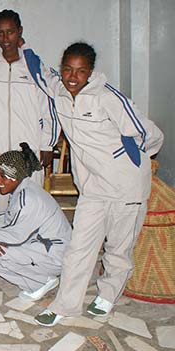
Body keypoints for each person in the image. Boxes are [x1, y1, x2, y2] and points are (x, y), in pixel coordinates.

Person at [33, 42, 164, 326]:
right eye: (67, 68)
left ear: (91, 72)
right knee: (79, 246)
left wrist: (132, 157)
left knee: (118, 247)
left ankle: (107, 294)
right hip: (92, 189)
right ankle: (65, 305)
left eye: (80, 71)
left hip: (126, 186)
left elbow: (149, 134)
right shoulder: (59, 91)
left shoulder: (107, 97)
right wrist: (22, 47)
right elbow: (40, 71)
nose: (72, 76)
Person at [0, 143, 71, 301]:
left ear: (16, 176)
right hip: (44, 245)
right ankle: (39, 275)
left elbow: (15, 236)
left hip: (55, 256)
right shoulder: (23, 190)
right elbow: (8, 219)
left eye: (2, 176)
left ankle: (40, 282)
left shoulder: (27, 199)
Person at [0, 9, 59, 213]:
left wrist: (47, 144)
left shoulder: (32, 65)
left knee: (30, 203)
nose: (5, 38)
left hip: (29, 148)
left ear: (19, 31)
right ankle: (6, 241)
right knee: (3, 203)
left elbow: (49, 106)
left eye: (10, 32)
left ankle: (32, 243)